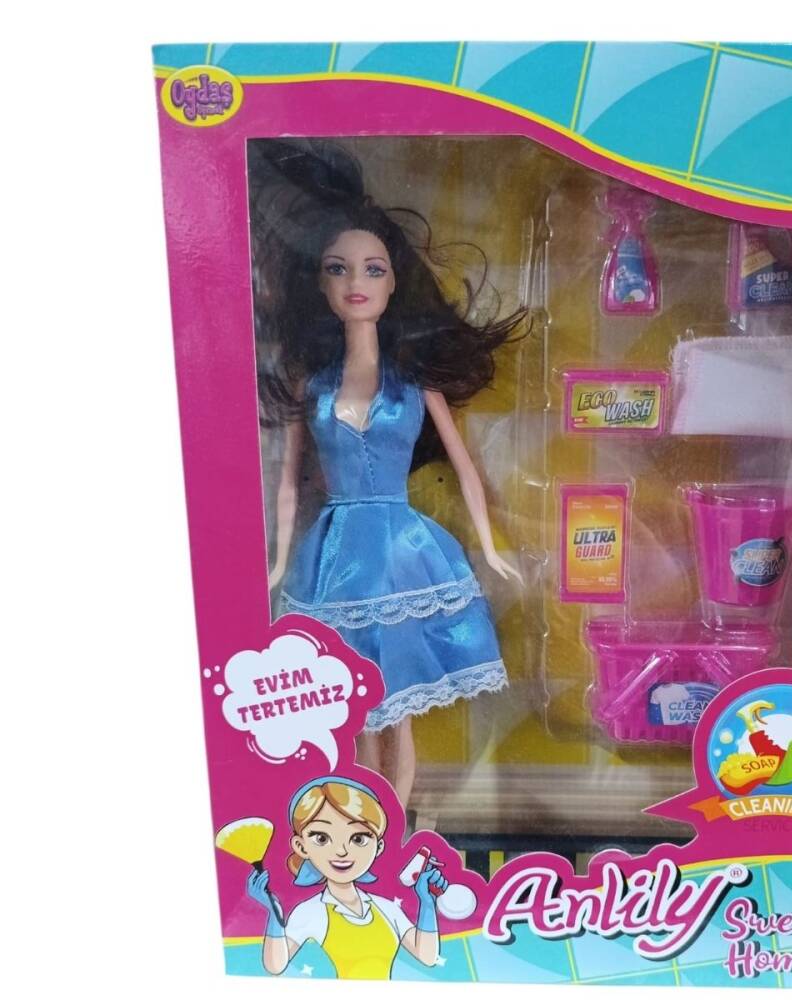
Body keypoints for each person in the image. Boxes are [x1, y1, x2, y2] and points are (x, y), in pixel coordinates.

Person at [251, 141, 524, 807]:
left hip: (404, 552)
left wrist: (492, 547)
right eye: (338, 269)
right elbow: (287, 482)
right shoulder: (312, 383)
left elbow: (465, 469)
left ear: (394, 281)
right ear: (321, 285)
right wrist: (278, 560)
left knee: (397, 701)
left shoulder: (414, 382)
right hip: (336, 553)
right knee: (353, 706)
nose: (357, 282)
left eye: (373, 269)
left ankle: (394, 818)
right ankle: (361, 815)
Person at [246, 776, 446, 978]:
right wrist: (275, 915)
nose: (341, 851)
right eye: (322, 838)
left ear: (378, 846)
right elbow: (275, 966)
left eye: (358, 839)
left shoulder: (386, 908)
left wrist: (427, 904)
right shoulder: (311, 911)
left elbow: (427, 956)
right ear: (301, 846)